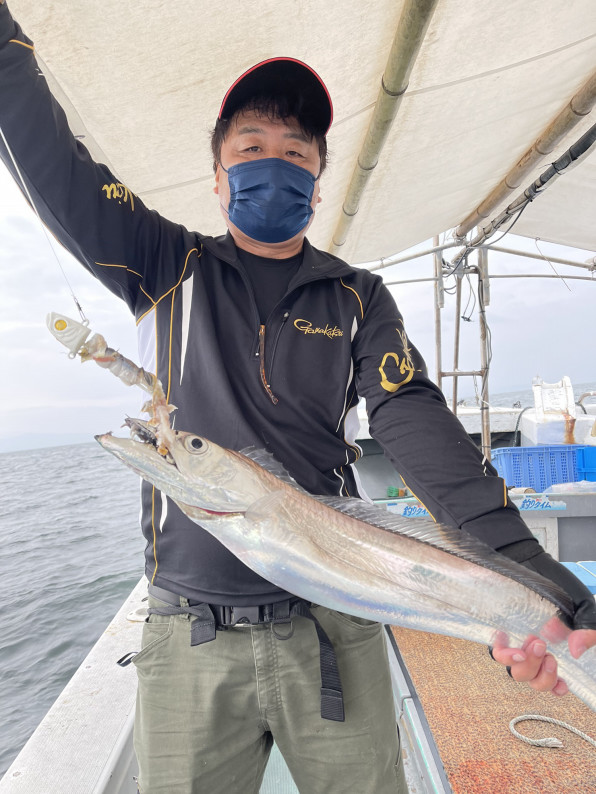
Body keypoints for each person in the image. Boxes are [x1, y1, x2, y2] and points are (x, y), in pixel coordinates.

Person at [1, 4, 595, 792]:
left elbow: (414, 424)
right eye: (250, 148)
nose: (272, 164)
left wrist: (542, 585)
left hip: (335, 630)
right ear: (216, 178)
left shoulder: (358, 297)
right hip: (191, 637)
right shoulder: (161, 260)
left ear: (317, 183)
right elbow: (53, 160)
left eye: (295, 152)